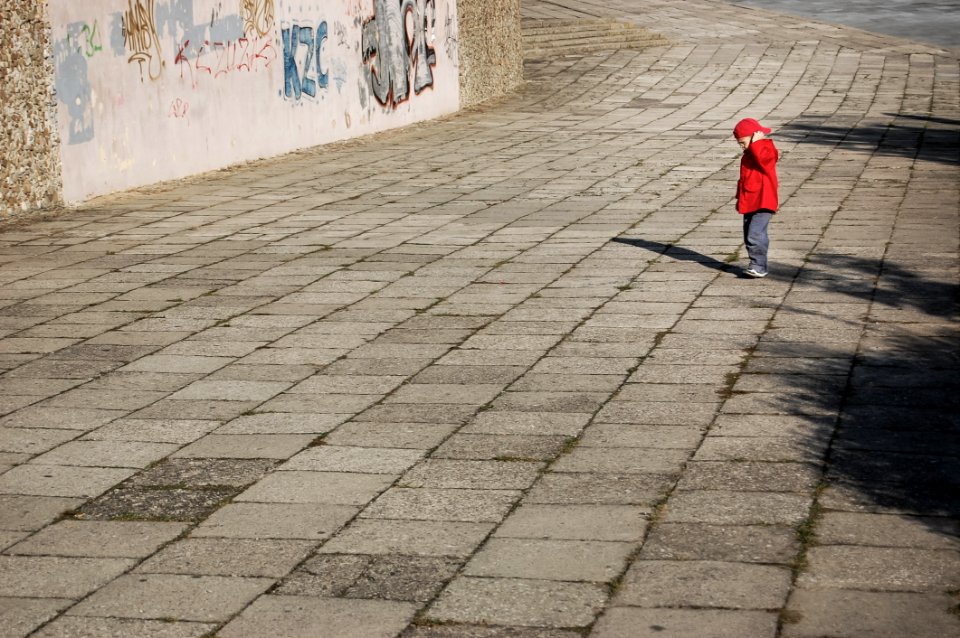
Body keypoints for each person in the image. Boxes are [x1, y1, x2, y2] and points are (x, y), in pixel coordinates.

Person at [733, 118, 779, 278]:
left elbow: (766, 161)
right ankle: (758, 264)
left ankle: (758, 266)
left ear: (754, 137)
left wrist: (757, 143)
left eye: (743, 142)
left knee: (755, 234)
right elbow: (745, 179)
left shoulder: (766, 148)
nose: (742, 146)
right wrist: (740, 198)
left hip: (764, 202)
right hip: (751, 202)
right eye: (739, 143)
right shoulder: (748, 154)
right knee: (749, 235)